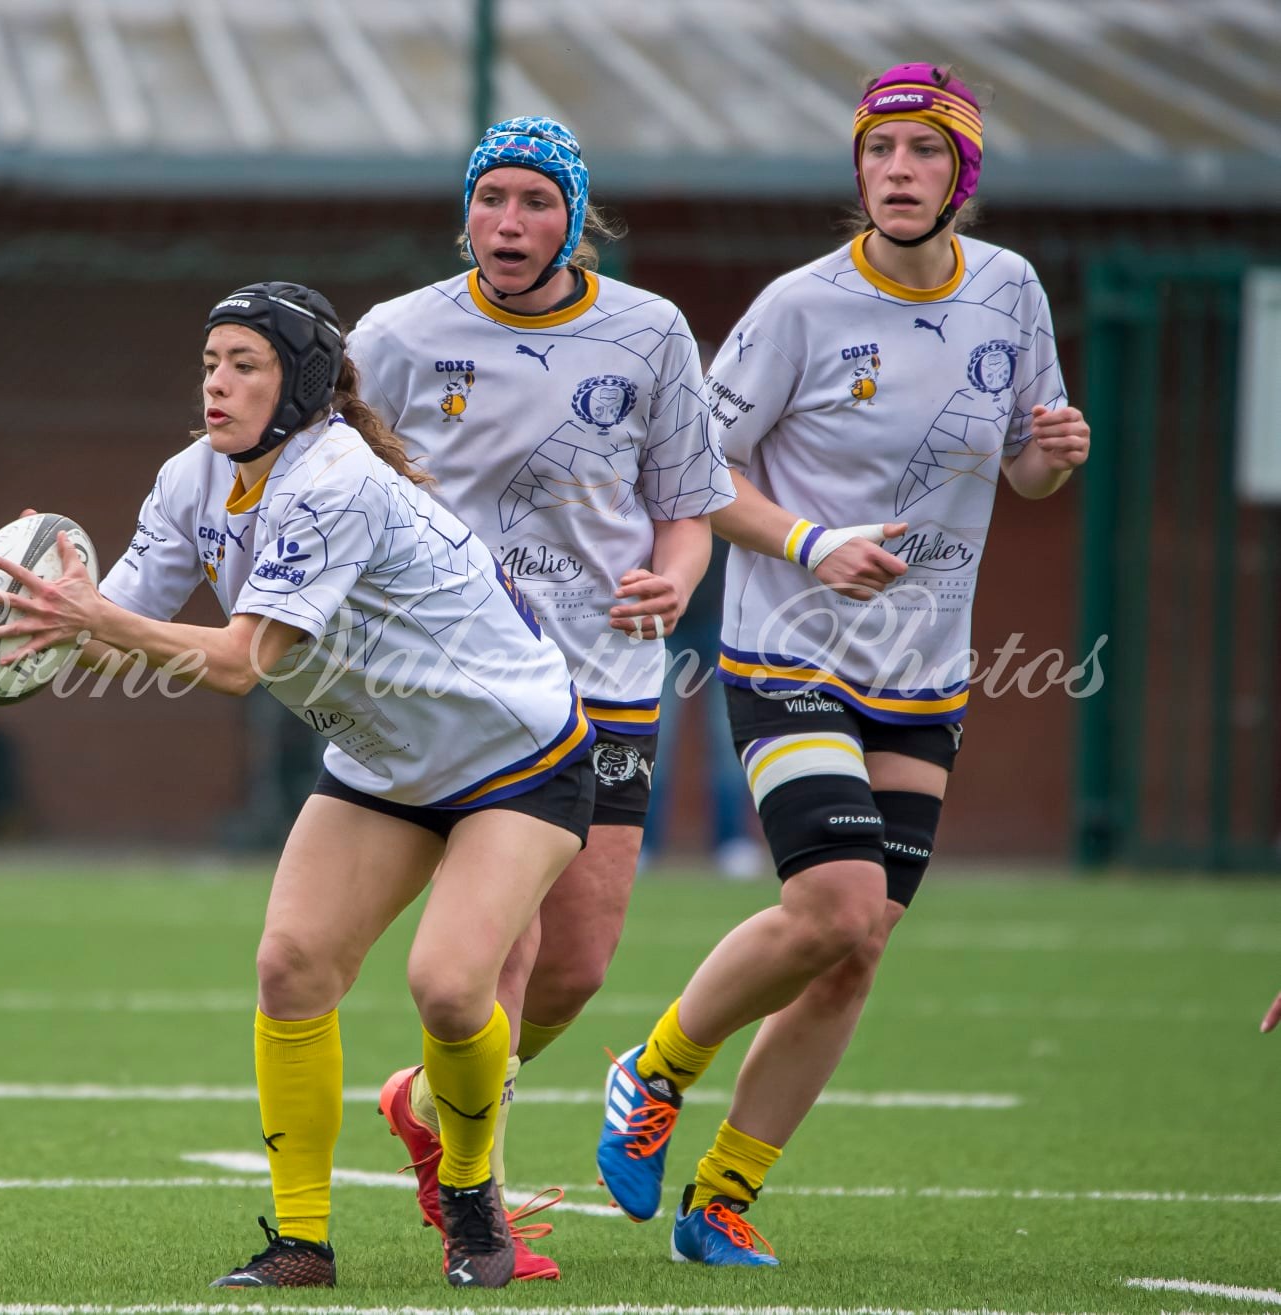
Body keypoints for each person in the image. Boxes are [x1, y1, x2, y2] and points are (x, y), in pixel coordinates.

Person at [0, 282, 596, 1289]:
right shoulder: (189, 478)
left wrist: (90, 620)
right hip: (381, 760)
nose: (218, 383)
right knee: (290, 964)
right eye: (209, 362)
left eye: (245, 363)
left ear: (304, 386)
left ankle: (469, 1199)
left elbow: (241, 660)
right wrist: (33, 613)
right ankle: (300, 1244)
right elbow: (122, 638)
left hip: (517, 756)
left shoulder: (333, 480)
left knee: (450, 987)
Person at [595, 64, 1091, 1265]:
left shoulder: (1010, 291)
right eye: (878, 152)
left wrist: (1052, 458)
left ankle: (720, 1201)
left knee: (854, 945)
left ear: (959, 176)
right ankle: (652, 1069)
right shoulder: (797, 307)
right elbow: (692, 478)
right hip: (787, 647)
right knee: (834, 903)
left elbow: (1023, 466)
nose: (897, 172)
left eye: (923, 153)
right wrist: (812, 545)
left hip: (923, 670)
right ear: (857, 172)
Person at [343, 115, 732, 1279]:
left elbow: (689, 503)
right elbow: (331, 487)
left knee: (577, 962)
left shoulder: (649, 331)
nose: (508, 224)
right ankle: (480, 1207)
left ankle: (433, 1098)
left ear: (576, 218)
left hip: (608, 674)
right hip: (460, 684)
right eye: (490, 200)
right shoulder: (397, 335)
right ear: (464, 210)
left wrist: (675, 574)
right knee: (498, 954)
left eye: (534, 203)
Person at [641, 537, 766, 880]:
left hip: (725, 618)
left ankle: (733, 841)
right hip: (663, 618)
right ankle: (643, 842)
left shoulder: (735, 485)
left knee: (726, 736)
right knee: (653, 734)